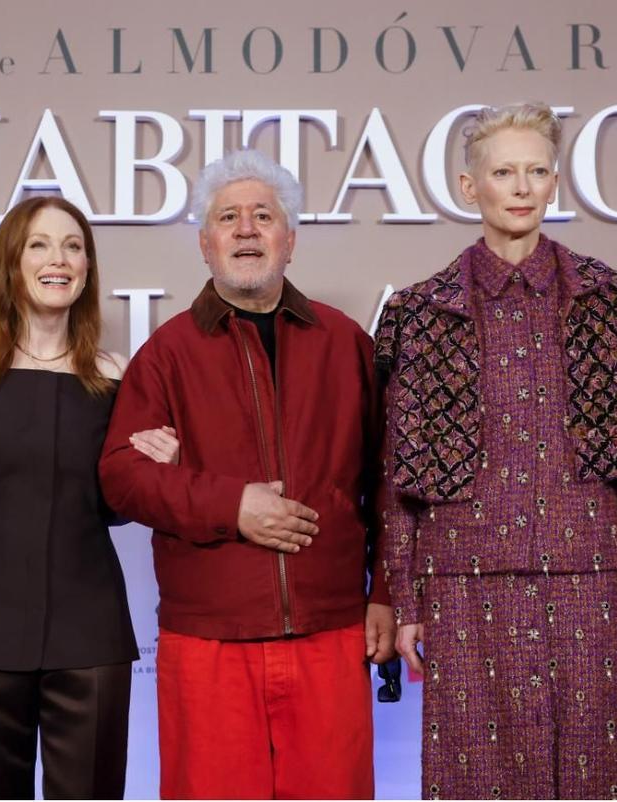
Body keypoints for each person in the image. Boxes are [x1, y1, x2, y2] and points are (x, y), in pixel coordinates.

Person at [375, 103, 617, 800]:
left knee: (596, 781)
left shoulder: (609, 301)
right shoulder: (420, 314)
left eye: (536, 171)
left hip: (591, 575)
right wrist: (404, 596)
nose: (521, 186)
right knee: (473, 782)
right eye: (503, 171)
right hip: (462, 581)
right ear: (469, 186)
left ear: (554, 182)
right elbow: (397, 479)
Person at [98, 149, 396, 800]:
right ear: (205, 244)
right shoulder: (166, 354)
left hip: (331, 632)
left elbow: (392, 485)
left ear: (289, 240)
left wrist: (388, 594)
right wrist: (230, 504)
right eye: (227, 217)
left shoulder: (345, 343)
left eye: (263, 215)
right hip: (207, 643)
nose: (245, 229)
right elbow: (121, 476)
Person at [0, 195, 178, 800]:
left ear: (87, 268)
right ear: (12, 262)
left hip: (89, 631)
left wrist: (156, 468)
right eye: (40, 244)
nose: (60, 259)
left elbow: (112, 506)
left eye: (74, 246)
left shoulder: (114, 375)